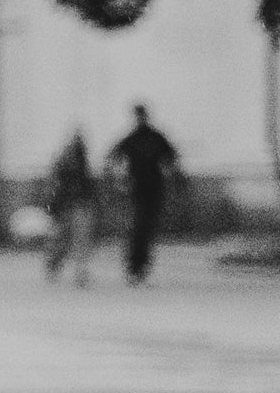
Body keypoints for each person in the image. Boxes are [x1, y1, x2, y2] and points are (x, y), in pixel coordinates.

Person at [109, 104, 181, 284]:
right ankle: (136, 267)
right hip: (140, 190)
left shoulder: (152, 137)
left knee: (145, 229)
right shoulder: (137, 138)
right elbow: (113, 156)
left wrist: (172, 177)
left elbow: (172, 158)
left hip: (152, 190)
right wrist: (120, 179)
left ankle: (139, 267)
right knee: (140, 228)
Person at [43, 131, 99, 285]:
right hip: (70, 206)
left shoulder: (79, 166)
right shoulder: (68, 166)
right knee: (68, 240)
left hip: (77, 205)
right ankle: (59, 266)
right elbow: (56, 187)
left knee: (76, 240)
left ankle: (76, 270)